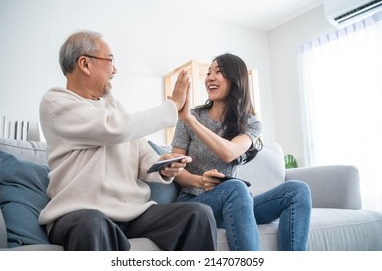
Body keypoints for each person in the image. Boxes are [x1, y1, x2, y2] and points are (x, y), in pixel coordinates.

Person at [38, 30, 217, 251]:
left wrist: (163, 166)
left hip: (132, 213)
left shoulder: (115, 109)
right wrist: (171, 106)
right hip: (78, 213)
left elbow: (142, 155)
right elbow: (114, 129)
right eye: (111, 60)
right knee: (92, 223)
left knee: (197, 214)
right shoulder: (56, 103)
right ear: (85, 64)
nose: (115, 70)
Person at [172, 53, 312, 251]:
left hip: (235, 202)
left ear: (235, 80)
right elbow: (176, 168)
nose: (210, 77)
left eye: (218, 72)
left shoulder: (250, 123)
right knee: (237, 188)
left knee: (297, 190)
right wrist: (199, 181)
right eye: (208, 72)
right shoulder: (190, 116)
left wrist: (191, 121)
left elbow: (229, 152)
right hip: (195, 201)